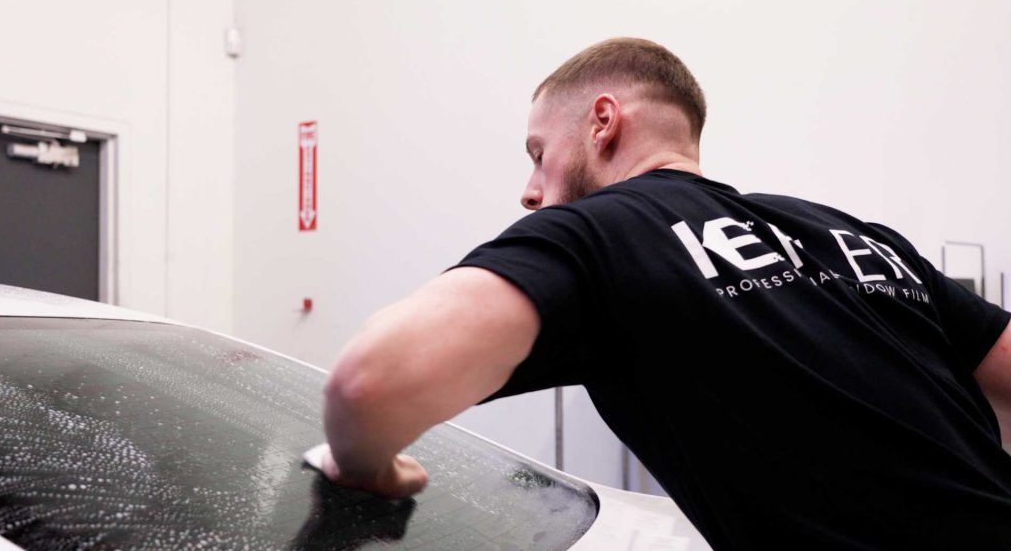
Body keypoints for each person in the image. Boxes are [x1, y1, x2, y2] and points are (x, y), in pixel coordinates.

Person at [319, 37, 1011, 549]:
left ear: (603, 120)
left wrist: (366, 465)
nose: (530, 190)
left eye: (537, 153)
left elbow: (368, 384)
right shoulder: (847, 232)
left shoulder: (599, 236)